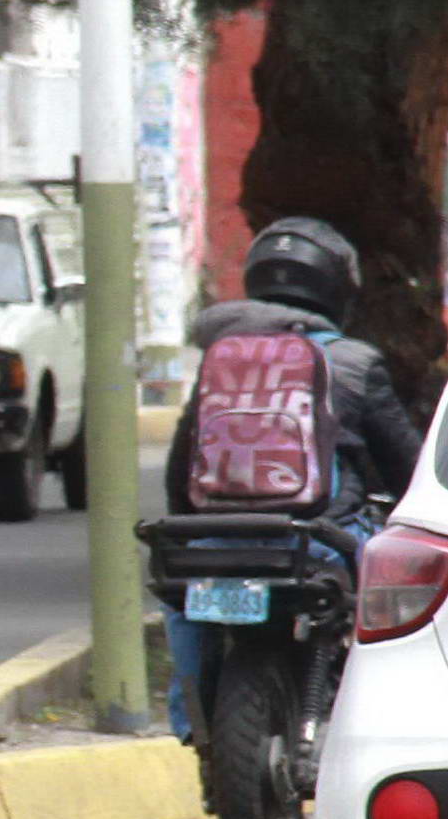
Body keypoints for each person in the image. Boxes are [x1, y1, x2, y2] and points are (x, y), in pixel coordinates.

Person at [162, 216, 422, 740]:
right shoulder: (352, 361)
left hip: (221, 541)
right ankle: (385, 726)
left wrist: (197, 529)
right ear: (338, 288)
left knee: (184, 603)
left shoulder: (221, 356)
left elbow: (180, 466)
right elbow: (406, 465)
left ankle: (192, 722)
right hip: (323, 541)